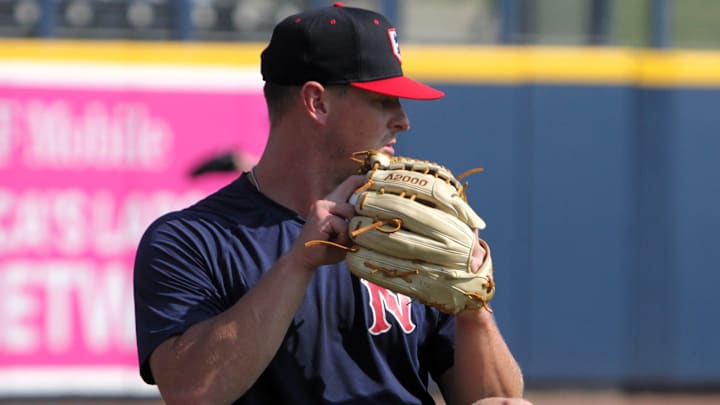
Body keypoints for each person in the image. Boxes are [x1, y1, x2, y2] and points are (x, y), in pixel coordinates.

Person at [133, 3, 530, 404]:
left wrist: (472, 306)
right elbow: (191, 392)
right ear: (316, 103)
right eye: (382, 100)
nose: (403, 119)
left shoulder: (406, 227)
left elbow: (493, 398)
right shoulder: (191, 240)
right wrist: (298, 263)